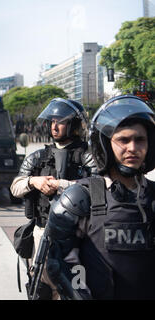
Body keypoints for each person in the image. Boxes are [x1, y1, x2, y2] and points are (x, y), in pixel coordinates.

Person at [45, 95, 155, 300]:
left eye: (140, 139)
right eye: (123, 140)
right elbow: (61, 262)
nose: (132, 148)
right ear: (105, 144)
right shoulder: (80, 198)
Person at [10, 98, 96, 300]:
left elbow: (100, 187)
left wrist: (62, 185)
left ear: (74, 125)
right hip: (42, 233)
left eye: (61, 121)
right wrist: (34, 181)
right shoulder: (37, 156)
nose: (54, 126)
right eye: (52, 121)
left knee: (76, 292)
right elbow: (15, 187)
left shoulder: (88, 156)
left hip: (79, 237)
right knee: (40, 291)